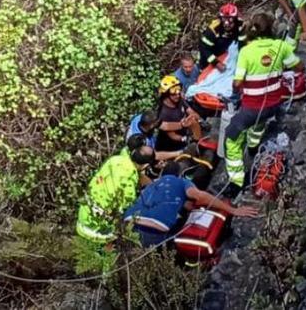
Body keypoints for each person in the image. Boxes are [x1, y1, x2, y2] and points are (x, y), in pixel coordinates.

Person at [223, 14, 305, 197]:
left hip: (252, 107)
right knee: (259, 123)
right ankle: (253, 146)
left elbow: (237, 83)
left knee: (231, 138)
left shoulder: (247, 51)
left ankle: (237, 181)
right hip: (273, 105)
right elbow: (299, 67)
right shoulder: (281, 47)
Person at [123, 162, 260, 248]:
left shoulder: (152, 185)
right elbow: (199, 196)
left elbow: (174, 202)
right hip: (154, 230)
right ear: (180, 174)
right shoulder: (181, 182)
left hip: (128, 224)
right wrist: (233, 210)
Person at [75, 134, 157, 272]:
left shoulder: (115, 160)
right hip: (99, 228)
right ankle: (105, 275)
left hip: (84, 213)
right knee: (106, 253)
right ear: (145, 166)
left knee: (85, 253)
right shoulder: (129, 181)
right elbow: (127, 206)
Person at [156, 76, 202, 153]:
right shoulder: (164, 113)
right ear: (166, 95)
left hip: (184, 132)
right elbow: (173, 136)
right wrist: (187, 139)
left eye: (178, 93)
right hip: (171, 147)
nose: (177, 96)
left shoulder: (179, 100)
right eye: (173, 94)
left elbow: (190, 111)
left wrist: (200, 120)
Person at [199, 3, 242, 71]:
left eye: (230, 19)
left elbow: (243, 42)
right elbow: (204, 48)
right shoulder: (213, 29)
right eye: (224, 19)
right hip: (211, 56)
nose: (227, 24)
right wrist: (216, 63)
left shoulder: (240, 25)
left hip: (227, 55)